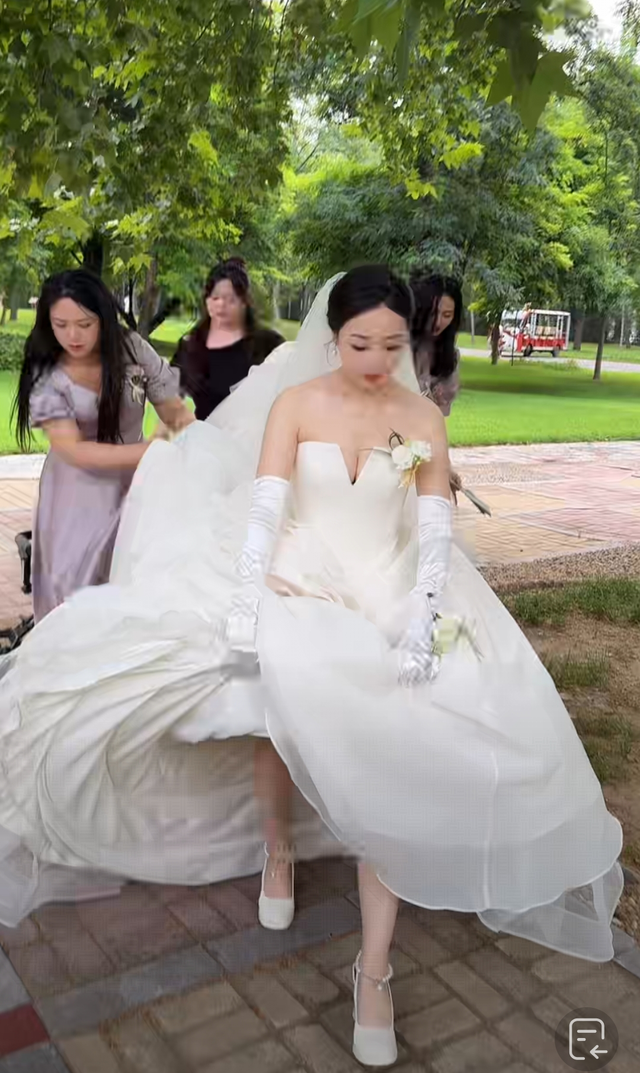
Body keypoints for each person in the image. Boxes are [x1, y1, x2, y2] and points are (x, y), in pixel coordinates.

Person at [0, 267, 622, 1068]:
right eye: (360, 344)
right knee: (275, 709)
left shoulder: (420, 417)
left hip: (391, 584)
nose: (377, 360)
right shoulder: (296, 403)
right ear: (333, 338)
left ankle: (375, 968)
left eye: (392, 345)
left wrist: (424, 613)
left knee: (396, 751)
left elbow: (434, 528)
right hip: (301, 576)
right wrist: (250, 593)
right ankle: (278, 850)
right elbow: (266, 509)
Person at [12, 269, 194, 622]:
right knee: (74, 599)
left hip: (135, 489)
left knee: (132, 590)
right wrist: (152, 452)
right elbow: (74, 450)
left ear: (104, 319)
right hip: (75, 496)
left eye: (84, 324)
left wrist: (186, 442)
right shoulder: (46, 368)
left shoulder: (131, 348)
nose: (72, 335)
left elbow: (176, 414)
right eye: (60, 324)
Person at [171, 258, 285, 420]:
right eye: (216, 298)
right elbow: (169, 400)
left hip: (255, 434)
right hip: (204, 433)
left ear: (244, 302)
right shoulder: (191, 346)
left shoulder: (268, 344)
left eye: (231, 299)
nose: (222, 306)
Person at [410, 274, 462, 416]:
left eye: (447, 315)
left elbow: (442, 411)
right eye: (433, 313)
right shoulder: (400, 345)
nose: (438, 322)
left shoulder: (451, 355)